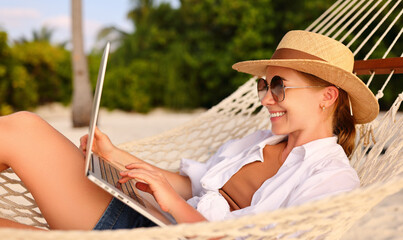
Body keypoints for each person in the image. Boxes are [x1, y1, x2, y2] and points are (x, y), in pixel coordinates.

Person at [0, 30, 379, 230]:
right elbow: (191, 185)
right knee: (23, 127)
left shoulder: (331, 180)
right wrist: (115, 156)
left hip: (160, 233)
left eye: (278, 85)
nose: (266, 98)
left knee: (21, 133)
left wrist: (173, 204)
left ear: (327, 96)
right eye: (263, 86)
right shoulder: (259, 143)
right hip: (150, 220)